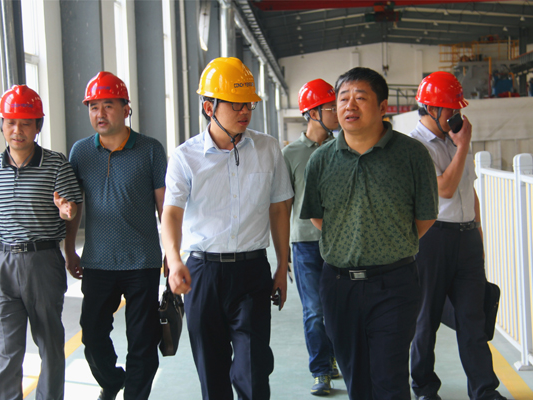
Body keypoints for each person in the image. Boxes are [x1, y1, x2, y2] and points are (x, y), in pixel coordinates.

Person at [300, 67, 439, 400]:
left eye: (360, 98)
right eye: (342, 99)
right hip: (339, 286)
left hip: (394, 283)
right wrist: (350, 239)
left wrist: (388, 241)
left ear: (383, 107)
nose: (349, 106)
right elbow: (319, 217)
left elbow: (425, 216)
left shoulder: (412, 155)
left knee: (389, 378)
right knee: (356, 379)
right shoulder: (321, 160)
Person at [162, 57, 293, 400]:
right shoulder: (185, 157)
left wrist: (282, 266)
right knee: (212, 372)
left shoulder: (268, 149)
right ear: (209, 107)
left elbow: (279, 209)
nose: (245, 111)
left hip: (252, 272)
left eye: (248, 103)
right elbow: (171, 214)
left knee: (253, 370)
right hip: (202, 274)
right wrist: (174, 260)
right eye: (236, 104)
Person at [0, 85, 82, 400]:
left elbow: (71, 207)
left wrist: (67, 210)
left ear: (38, 126)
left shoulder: (56, 164)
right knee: (8, 350)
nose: (17, 130)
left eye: (26, 123)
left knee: (50, 345)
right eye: (10, 122)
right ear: (2, 124)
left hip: (42, 262)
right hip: (1, 265)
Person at [64, 71, 167, 400]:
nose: (100, 113)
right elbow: (74, 205)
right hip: (98, 261)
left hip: (142, 261)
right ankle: (111, 381)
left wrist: (172, 251)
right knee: (92, 335)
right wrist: (69, 248)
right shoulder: (80, 152)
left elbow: (165, 206)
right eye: (93, 107)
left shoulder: (150, 150)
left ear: (126, 109)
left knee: (143, 340)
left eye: (108, 105)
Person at [409, 71, 507, 400]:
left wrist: (476, 232)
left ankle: (484, 390)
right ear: (431, 109)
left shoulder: (454, 140)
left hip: (466, 239)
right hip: (432, 239)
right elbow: (446, 189)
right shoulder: (415, 146)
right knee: (426, 319)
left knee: (473, 319)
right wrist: (463, 145)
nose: (456, 116)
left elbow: (468, 190)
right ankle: (424, 387)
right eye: (451, 110)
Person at [282, 78, 339, 396]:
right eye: (331, 107)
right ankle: (320, 370)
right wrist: (283, 254)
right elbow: (282, 207)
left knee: (337, 309)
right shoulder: (289, 154)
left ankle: (333, 357)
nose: (338, 112)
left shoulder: (341, 148)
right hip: (304, 244)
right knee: (314, 310)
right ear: (313, 113)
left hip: (340, 243)